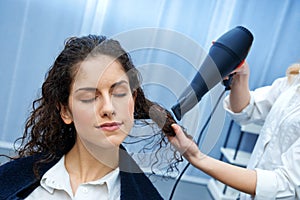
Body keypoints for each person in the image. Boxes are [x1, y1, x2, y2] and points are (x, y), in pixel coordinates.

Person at [0, 35, 181, 200]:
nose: (108, 109)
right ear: (66, 111)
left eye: (119, 93)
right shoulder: (7, 181)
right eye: (89, 97)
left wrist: (206, 164)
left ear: (133, 100)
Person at [168, 62, 300, 199]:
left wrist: (197, 158)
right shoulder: (293, 82)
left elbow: (286, 185)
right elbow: (247, 109)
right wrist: (241, 76)